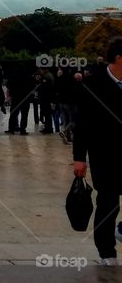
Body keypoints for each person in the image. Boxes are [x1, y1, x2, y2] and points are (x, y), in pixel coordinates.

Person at [73, 38, 122, 266]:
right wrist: (79, 158)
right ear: (119, 58)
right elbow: (82, 125)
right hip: (105, 155)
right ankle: (106, 251)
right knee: (108, 202)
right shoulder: (93, 85)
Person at [5, 64, 34, 135]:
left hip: (15, 98)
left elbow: (8, 84)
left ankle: (11, 129)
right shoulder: (27, 76)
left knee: (13, 114)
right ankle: (22, 129)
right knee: (24, 115)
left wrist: (12, 92)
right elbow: (32, 86)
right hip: (25, 98)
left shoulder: (14, 76)